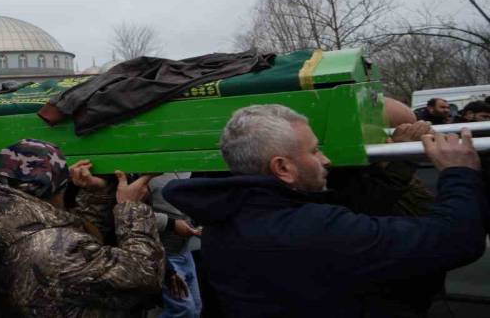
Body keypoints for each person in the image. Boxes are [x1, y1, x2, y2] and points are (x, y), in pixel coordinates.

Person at [163, 104, 488, 318]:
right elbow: (455, 240)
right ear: (283, 167)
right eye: (315, 150)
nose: (326, 160)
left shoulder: (226, 219)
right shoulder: (313, 230)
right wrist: (459, 173)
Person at [0, 138, 164, 316]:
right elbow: (145, 275)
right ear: (55, 190)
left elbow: (70, 240)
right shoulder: (55, 249)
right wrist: (131, 208)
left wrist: (96, 195)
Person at [149, 172, 203, 318]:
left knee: (195, 308)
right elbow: (133, 212)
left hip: (183, 249)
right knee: (184, 310)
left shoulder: (183, 163)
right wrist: (171, 224)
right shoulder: (142, 172)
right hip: (163, 252)